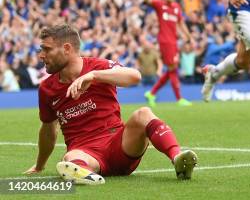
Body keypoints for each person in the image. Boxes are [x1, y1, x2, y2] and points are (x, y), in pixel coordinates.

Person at [25, 24, 197, 184]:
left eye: (47, 49)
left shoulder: (99, 66)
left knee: (143, 113)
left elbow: (134, 76)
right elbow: (48, 130)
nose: (41, 55)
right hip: (86, 152)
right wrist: (39, 166)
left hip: (120, 145)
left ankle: (177, 159)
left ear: (67, 49)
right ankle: (88, 176)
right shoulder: (47, 89)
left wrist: (94, 76)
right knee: (70, 158)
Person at [143, 0, 193, 107]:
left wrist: (188, 36)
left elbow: (181, 23)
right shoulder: (160, 4)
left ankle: (151, 93)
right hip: (165, 41)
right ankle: (179, 98)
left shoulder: (176, 7)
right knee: (173, 68)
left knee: (172, 69)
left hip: (174, 41)